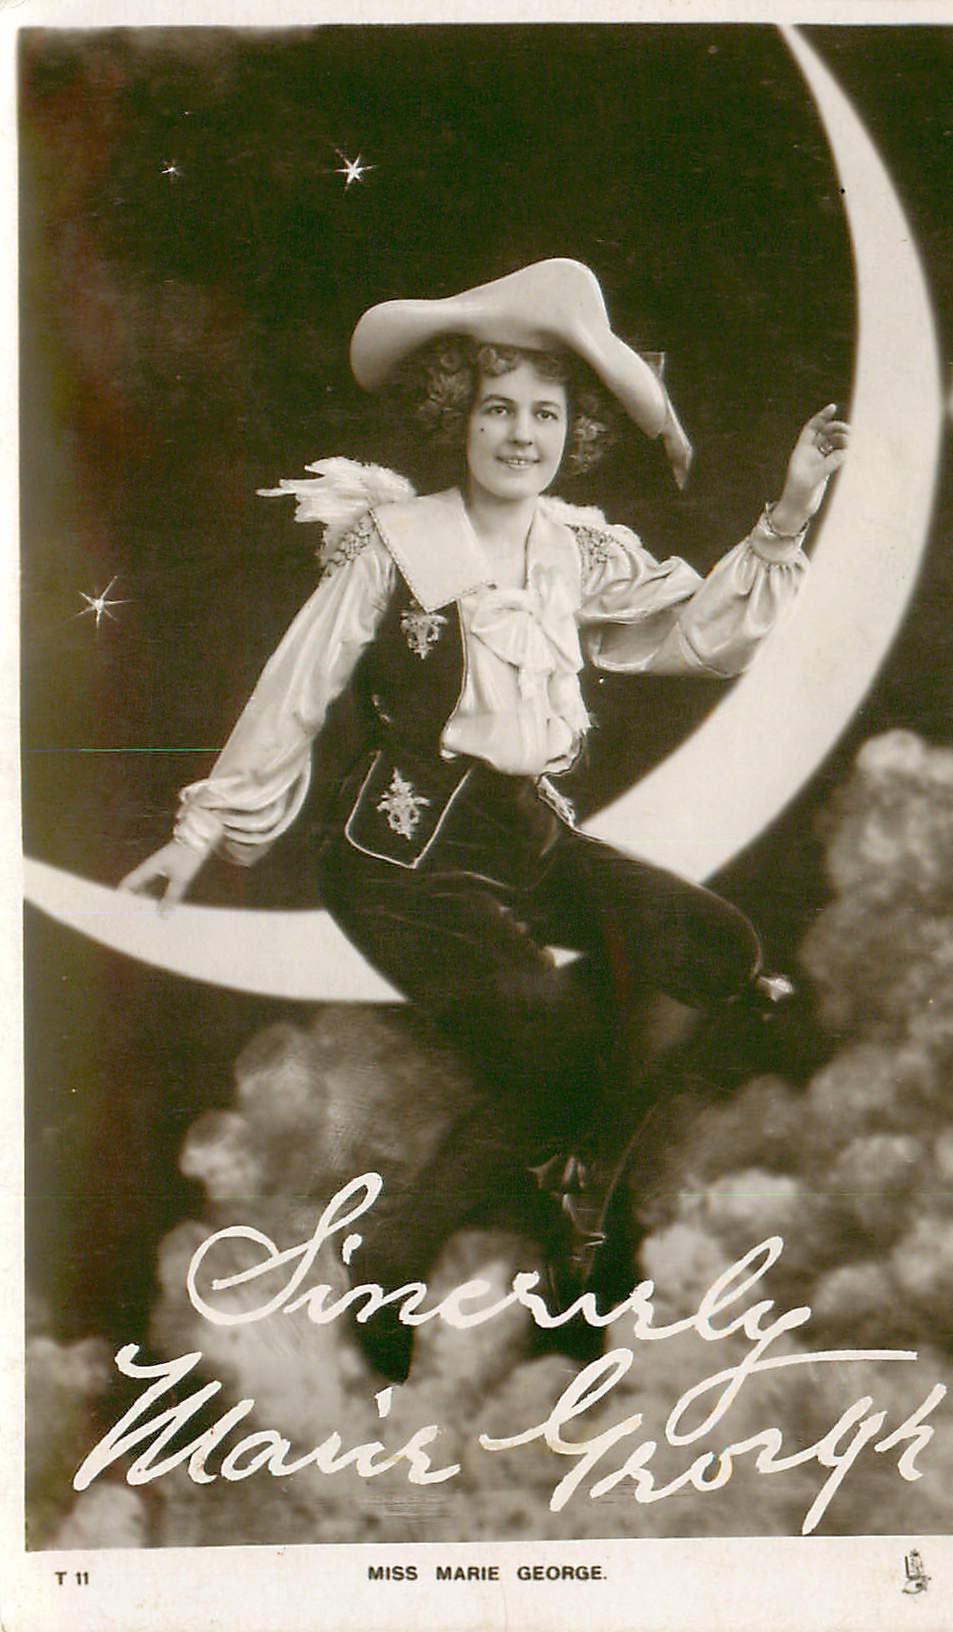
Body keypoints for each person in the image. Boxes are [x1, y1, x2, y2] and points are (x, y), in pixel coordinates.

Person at [120, 259, 847, 1380]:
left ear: (576, 430)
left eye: (545, 414)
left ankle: (572, 1173)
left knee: (717, 948)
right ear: (456, 414)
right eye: (497, 408)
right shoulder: (397, 543)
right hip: (400, 856)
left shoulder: (577, 548)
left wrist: (792, 507)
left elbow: (702, 637)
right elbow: (297, 685)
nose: (520, 434)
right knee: (556, 1049)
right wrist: (198, 833)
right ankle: (398, 1260)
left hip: (524, 832)